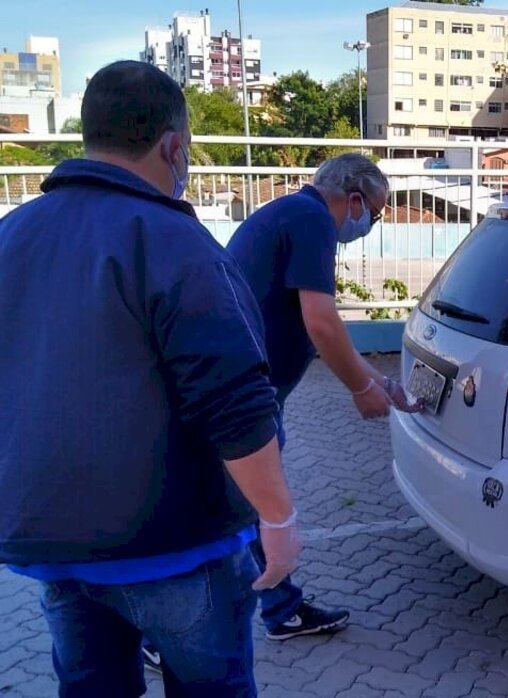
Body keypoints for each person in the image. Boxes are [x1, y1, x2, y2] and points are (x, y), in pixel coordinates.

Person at [0, 60, 299, 697]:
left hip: (56, 548)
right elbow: (237, 402)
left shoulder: (11, 235)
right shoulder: (174, 241)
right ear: (173, 146)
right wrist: (277, 518)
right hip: (175, 550)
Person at [222, 153, 421, 643]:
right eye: (374, 214)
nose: (370, 224)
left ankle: (279, 609)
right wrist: (361, 388)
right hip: (249, 391)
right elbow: (322, 321)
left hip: (250, 385)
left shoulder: (291, 213)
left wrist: (382, 384)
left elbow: (318, 327)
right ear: (354, 199)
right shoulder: (312, 220)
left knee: (246, 508)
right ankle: (174, 630)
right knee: (241, 509)